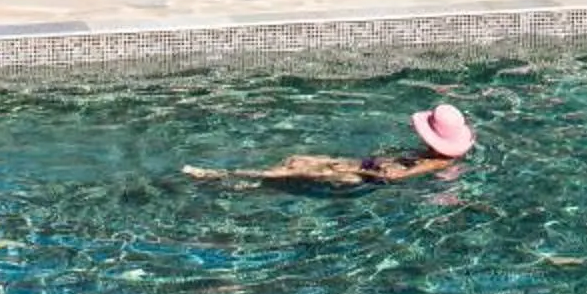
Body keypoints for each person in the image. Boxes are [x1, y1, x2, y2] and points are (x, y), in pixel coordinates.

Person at [187, 103, 475, 187]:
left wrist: (370, 170)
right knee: (295, 159)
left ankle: (226, 176)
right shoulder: (432, 155)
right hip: (362, 165)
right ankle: (248, 179)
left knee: (290, 171)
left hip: (360, 176)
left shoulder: (437, 162)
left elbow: (395, 175)